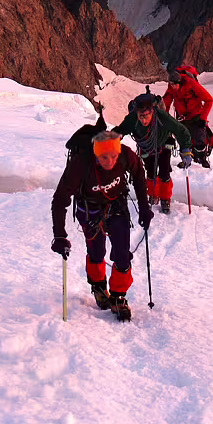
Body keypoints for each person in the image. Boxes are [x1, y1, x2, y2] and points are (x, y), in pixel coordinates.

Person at [51, 130, 153, 321]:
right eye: (104, 157)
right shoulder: (81, 164)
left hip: (117, 205)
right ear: (95, 154)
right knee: (96, 250)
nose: (110, 161)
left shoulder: (125, 154)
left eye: (113, 156)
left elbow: (139, 173)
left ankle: (118, 296)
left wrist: (144, 207)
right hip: (89, 209)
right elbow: (60, 199)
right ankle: (98, 286)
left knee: (122, 254)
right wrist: (59, 236)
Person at [112, 89, 192, 214]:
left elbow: (181, 130)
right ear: (137, 114)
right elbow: (121, 130)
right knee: (150, 172)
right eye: (141, 117)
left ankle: (165, 198)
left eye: (146, 116)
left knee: (164, 171)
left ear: (152, 112)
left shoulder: (161, 116)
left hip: (164, 143)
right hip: (146, 147)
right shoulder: (132, 118)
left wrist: (186, 150)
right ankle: (153, 194)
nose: (144, 120)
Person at [164, 65, 213, 168]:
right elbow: (166, 103)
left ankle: (202, 159)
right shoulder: (171, 88)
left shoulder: (192, 85)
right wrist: (165, 117)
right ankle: (186, 160)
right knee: (183, 140)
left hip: (196, 116)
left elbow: (209, 100)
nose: (173, 87)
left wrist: (203, 118)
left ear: (180, 82)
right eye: (171, 84)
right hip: (182, 118)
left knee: (199, 139)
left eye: (174, 85)